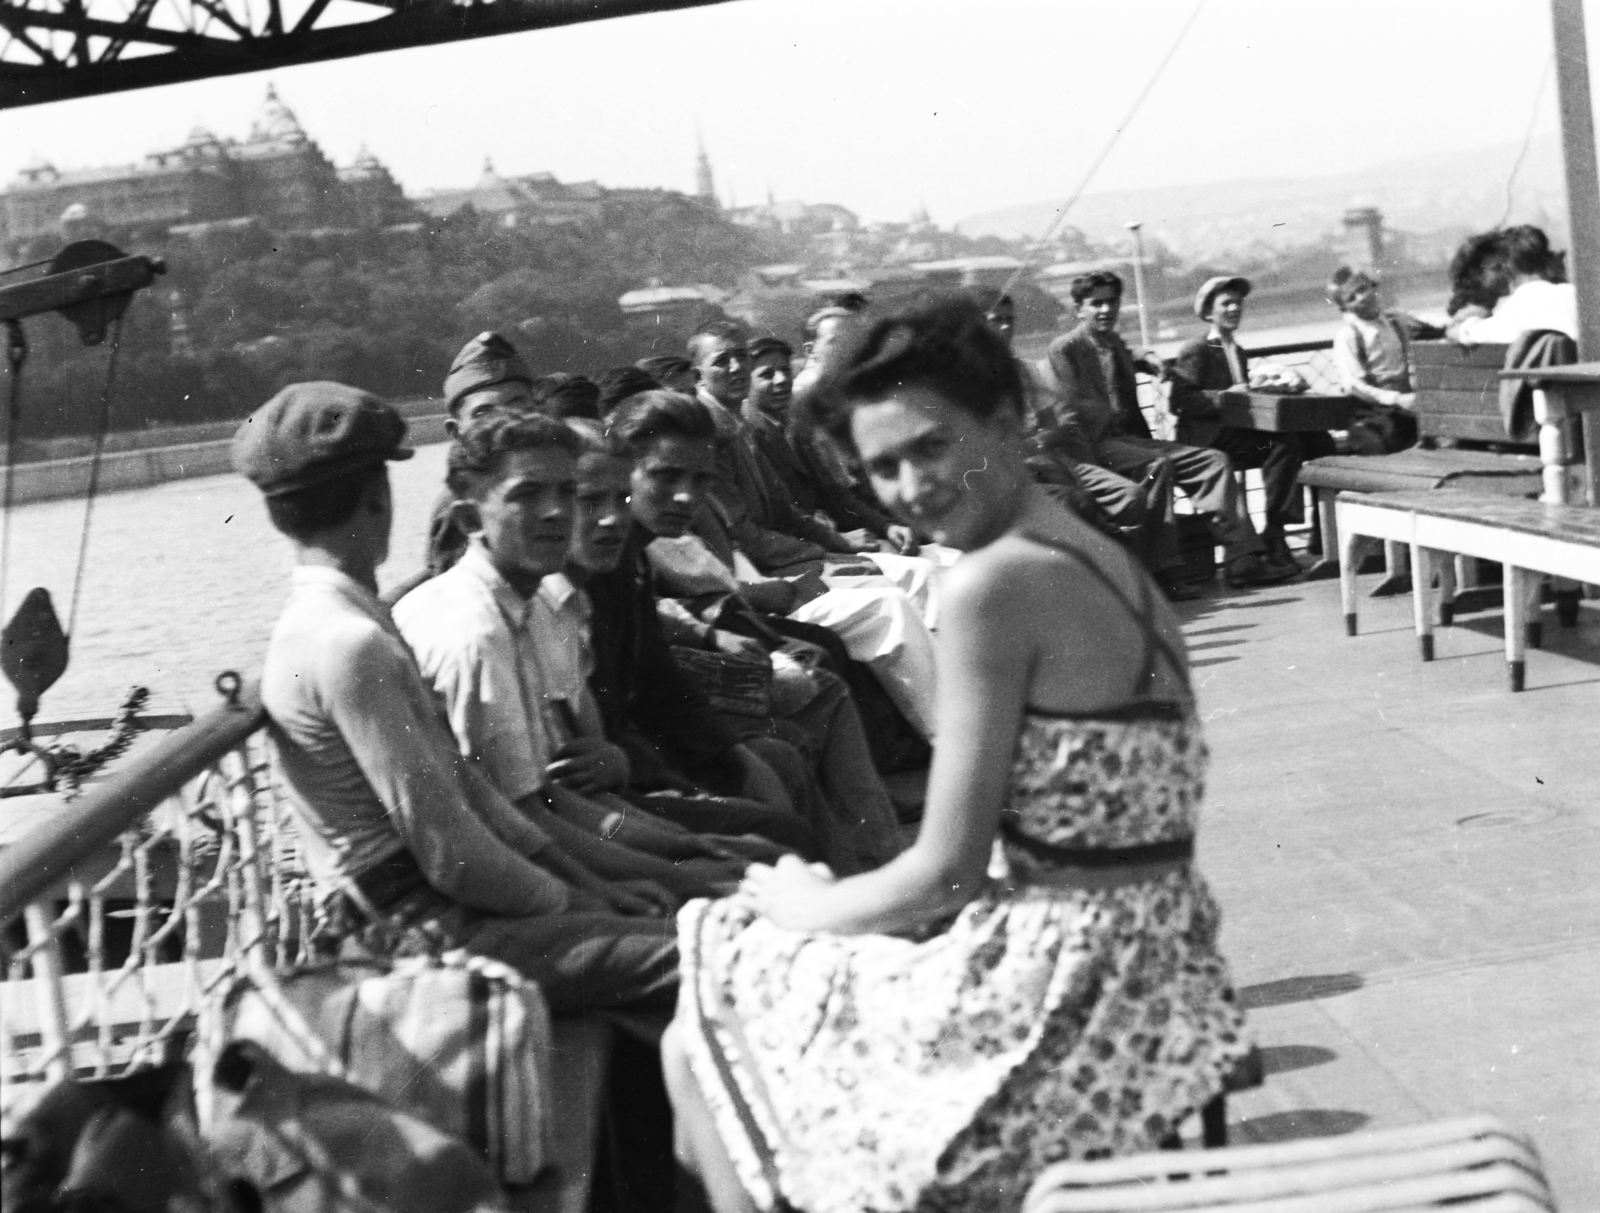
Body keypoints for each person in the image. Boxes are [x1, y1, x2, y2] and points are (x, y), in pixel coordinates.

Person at [662, 296, 1249, 1213]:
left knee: (706, 1015)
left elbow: (943, 874)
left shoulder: (993, 583)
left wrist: (811, 903)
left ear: (1008, 422)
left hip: (1071, 999)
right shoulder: (1093, 553)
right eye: (881, 467)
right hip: (1156, 969)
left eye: (930, 447)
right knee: (730, 1009)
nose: (909, 487)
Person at [240, 382, 677, 1016]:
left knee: (677, 930)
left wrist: (591, 886)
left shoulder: (346, 621)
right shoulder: (348, 641)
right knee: (698, 954)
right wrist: (579, 903)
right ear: (376, 498)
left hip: (437, 912)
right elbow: (452, 855)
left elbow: (477, 799)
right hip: (411, 931)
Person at [391, 414, 748, 903]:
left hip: (554, 837)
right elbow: (517, 824)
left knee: (742, 858)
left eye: (564, 493)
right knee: (739, 882)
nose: (558, 514)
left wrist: (684, 846)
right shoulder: (474, 634)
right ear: (471, 521)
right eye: (528, 496)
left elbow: (552, 796)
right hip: (485, 889)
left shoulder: (530, 606)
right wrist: (655, 878)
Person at [612, 390, 907, 874]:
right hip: (637, 753)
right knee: (783, 746)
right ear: (623, 469)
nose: (686, 496)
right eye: (664, 476)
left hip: (663, 717)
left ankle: (869, 864)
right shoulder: (608, 552)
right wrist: (734, 752)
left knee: (816, 695)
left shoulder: (634, 552)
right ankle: (859, 871)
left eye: (700, 479)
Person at [1048, 272, 1292, 589]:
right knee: (1156, 466)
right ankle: (1162, 572)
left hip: (1129, 439)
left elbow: (1125, 351)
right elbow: (1066, 408)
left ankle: (1241, 559)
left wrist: (1146, 356)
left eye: (1112, 302)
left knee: (1214, 461)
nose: (1106, 310)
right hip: (1097, 443)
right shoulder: (1064, 349)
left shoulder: (1111, 342)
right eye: (1097, 304)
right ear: (1079, 309)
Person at [1169, 276, 1335, 573]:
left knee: (1319, 441)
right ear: (1209, 313)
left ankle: (1322, 535)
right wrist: (1225, 396)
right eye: (1226, 304)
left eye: (1238, 303)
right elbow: (1179, 400)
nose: (1234, 308)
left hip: (1236, 433)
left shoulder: (1236, 349)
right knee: (1283, 445)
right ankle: (1276, 534)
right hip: (1208, 438)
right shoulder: (1198, 349)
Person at [1326, 267, 1437, 454]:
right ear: (1344, 308)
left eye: (1362, 289)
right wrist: (1397, 399)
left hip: (1408, 405)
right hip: (1376, 412)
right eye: (1351, 298)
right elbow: (1353, 385)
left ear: (1372, 287)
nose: (1361, 298)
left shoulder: (1396, 319)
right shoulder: (1348, 336)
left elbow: (1430, 323)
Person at [1448, 225, 1578, 344]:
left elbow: (1469, 332)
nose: (1504, 275)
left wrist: (1460, 327)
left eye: (1501, 267)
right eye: (1496, 268)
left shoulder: (1518, 304)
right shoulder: (1573, 292)